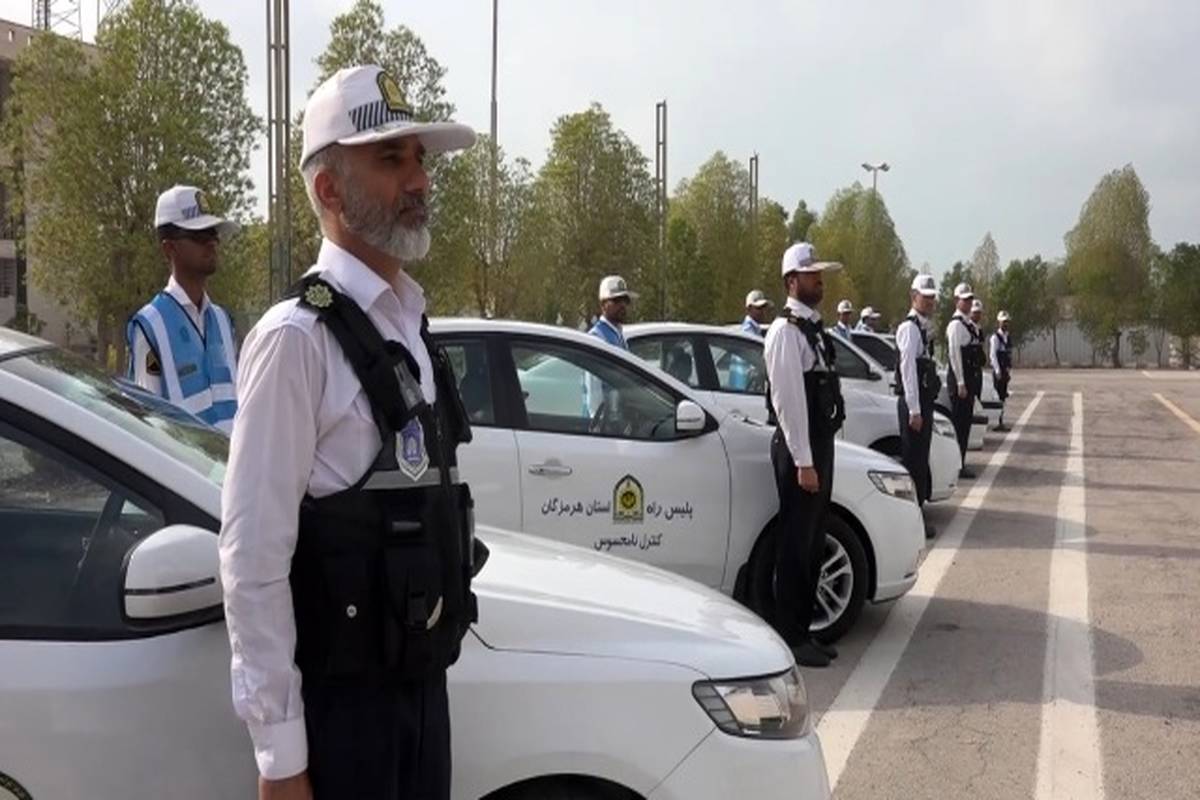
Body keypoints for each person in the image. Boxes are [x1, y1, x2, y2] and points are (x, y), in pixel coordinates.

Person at [219, 65, 485, 800]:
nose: (419, 180)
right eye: (391, 159)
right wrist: (281, 758)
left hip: (422, 703)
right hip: (344, 725)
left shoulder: (410, 327)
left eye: (419, 158)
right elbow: (252, 558)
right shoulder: (295, 341)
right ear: (330, 190)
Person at [764, 242, 846, 668]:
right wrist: (804, 461)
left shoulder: (812, 329)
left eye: (820, 275)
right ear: (792, 281)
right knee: (796, 544)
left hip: (817, 447)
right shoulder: (785, 332)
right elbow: (789, 403)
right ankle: (790, 636)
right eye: (812, 275)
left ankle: (804, 630)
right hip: (801, 452)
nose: (820, 282)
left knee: (813, 543)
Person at [126, 185, 241, 433]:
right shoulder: (150, 326)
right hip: (182, 460)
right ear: (170, 248)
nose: (211, 243)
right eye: (199, 236)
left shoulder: (223, 320)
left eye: (213, 234)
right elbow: (149, 422)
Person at [895, 274, 942, 538]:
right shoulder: (909, 328)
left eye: (932, 297)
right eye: (925, 297)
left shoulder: (923, 327)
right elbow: (908, 370)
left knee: (921, 461)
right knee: (913, 463)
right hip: (915, 403)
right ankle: (912, 521)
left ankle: (918, 515)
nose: (930, 302)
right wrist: (914, 409)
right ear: (913, 297)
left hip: (923, 400)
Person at [946, 282, 985, 479]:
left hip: (969, 380)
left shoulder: (969, 325)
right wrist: (961, 382)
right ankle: (956, 465)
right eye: (965, 300)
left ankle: (961, 462)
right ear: (956, 301)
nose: (968, 303)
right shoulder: (956, 326)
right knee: (959, 426)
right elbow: (954, 355)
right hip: (960, 382)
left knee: (965, 425)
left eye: (970, 299)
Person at [590, 275, 635, 350]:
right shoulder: (596, 337)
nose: (623, 305)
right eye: (616, 300)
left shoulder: (618, 334)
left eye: (625, 300)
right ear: (603, 304)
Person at [991, 310, 1013, 432]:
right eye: (1003, 322)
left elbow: (1008, 355)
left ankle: (1001, 421)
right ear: (999, 322)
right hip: (999, 372)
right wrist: (997, 371)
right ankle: (997, 421)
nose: (1005, 324)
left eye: (1007, 322)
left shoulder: (1007, 337)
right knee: (998, 396)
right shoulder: (995, 337)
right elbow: (993, 355)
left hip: (1005, 371)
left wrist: (1008, 370)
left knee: (1003, 396)